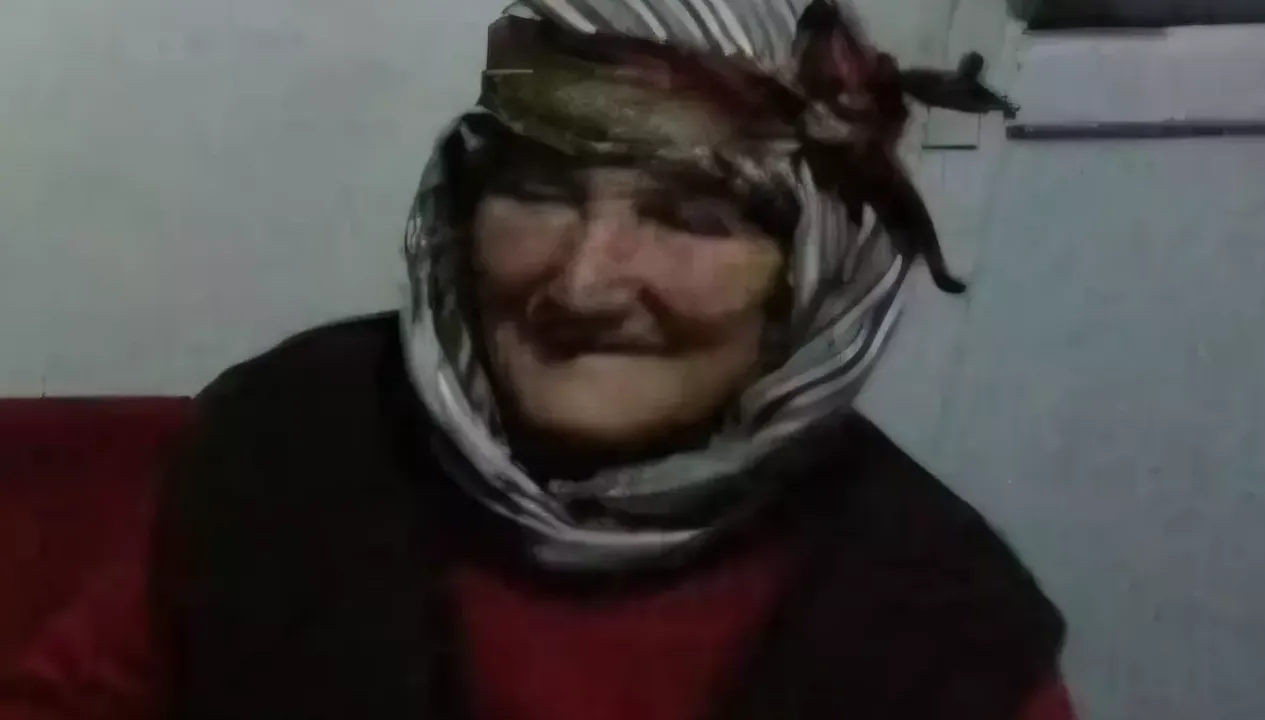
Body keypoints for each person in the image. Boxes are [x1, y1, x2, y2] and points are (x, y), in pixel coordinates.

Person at [0, 1, 1074, 718]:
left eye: (693, 217)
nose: (584, 283)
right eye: (539, 192)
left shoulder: (936, 620)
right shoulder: (293, 446)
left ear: (814, 277)